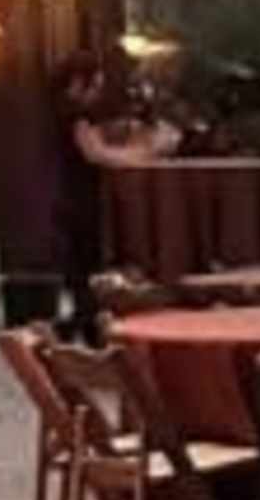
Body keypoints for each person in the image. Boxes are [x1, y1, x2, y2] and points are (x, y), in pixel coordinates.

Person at [49, 51, 174, 338]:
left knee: (85, 267)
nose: (97, 94)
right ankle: (81, 327)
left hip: (77, 198)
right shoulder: (72, 115)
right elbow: (97, 154)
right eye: (94, 87)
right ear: (79, 83)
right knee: (83, 267)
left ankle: (83, 322)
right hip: (75, 199)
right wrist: (147, 152)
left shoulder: (71, 113)